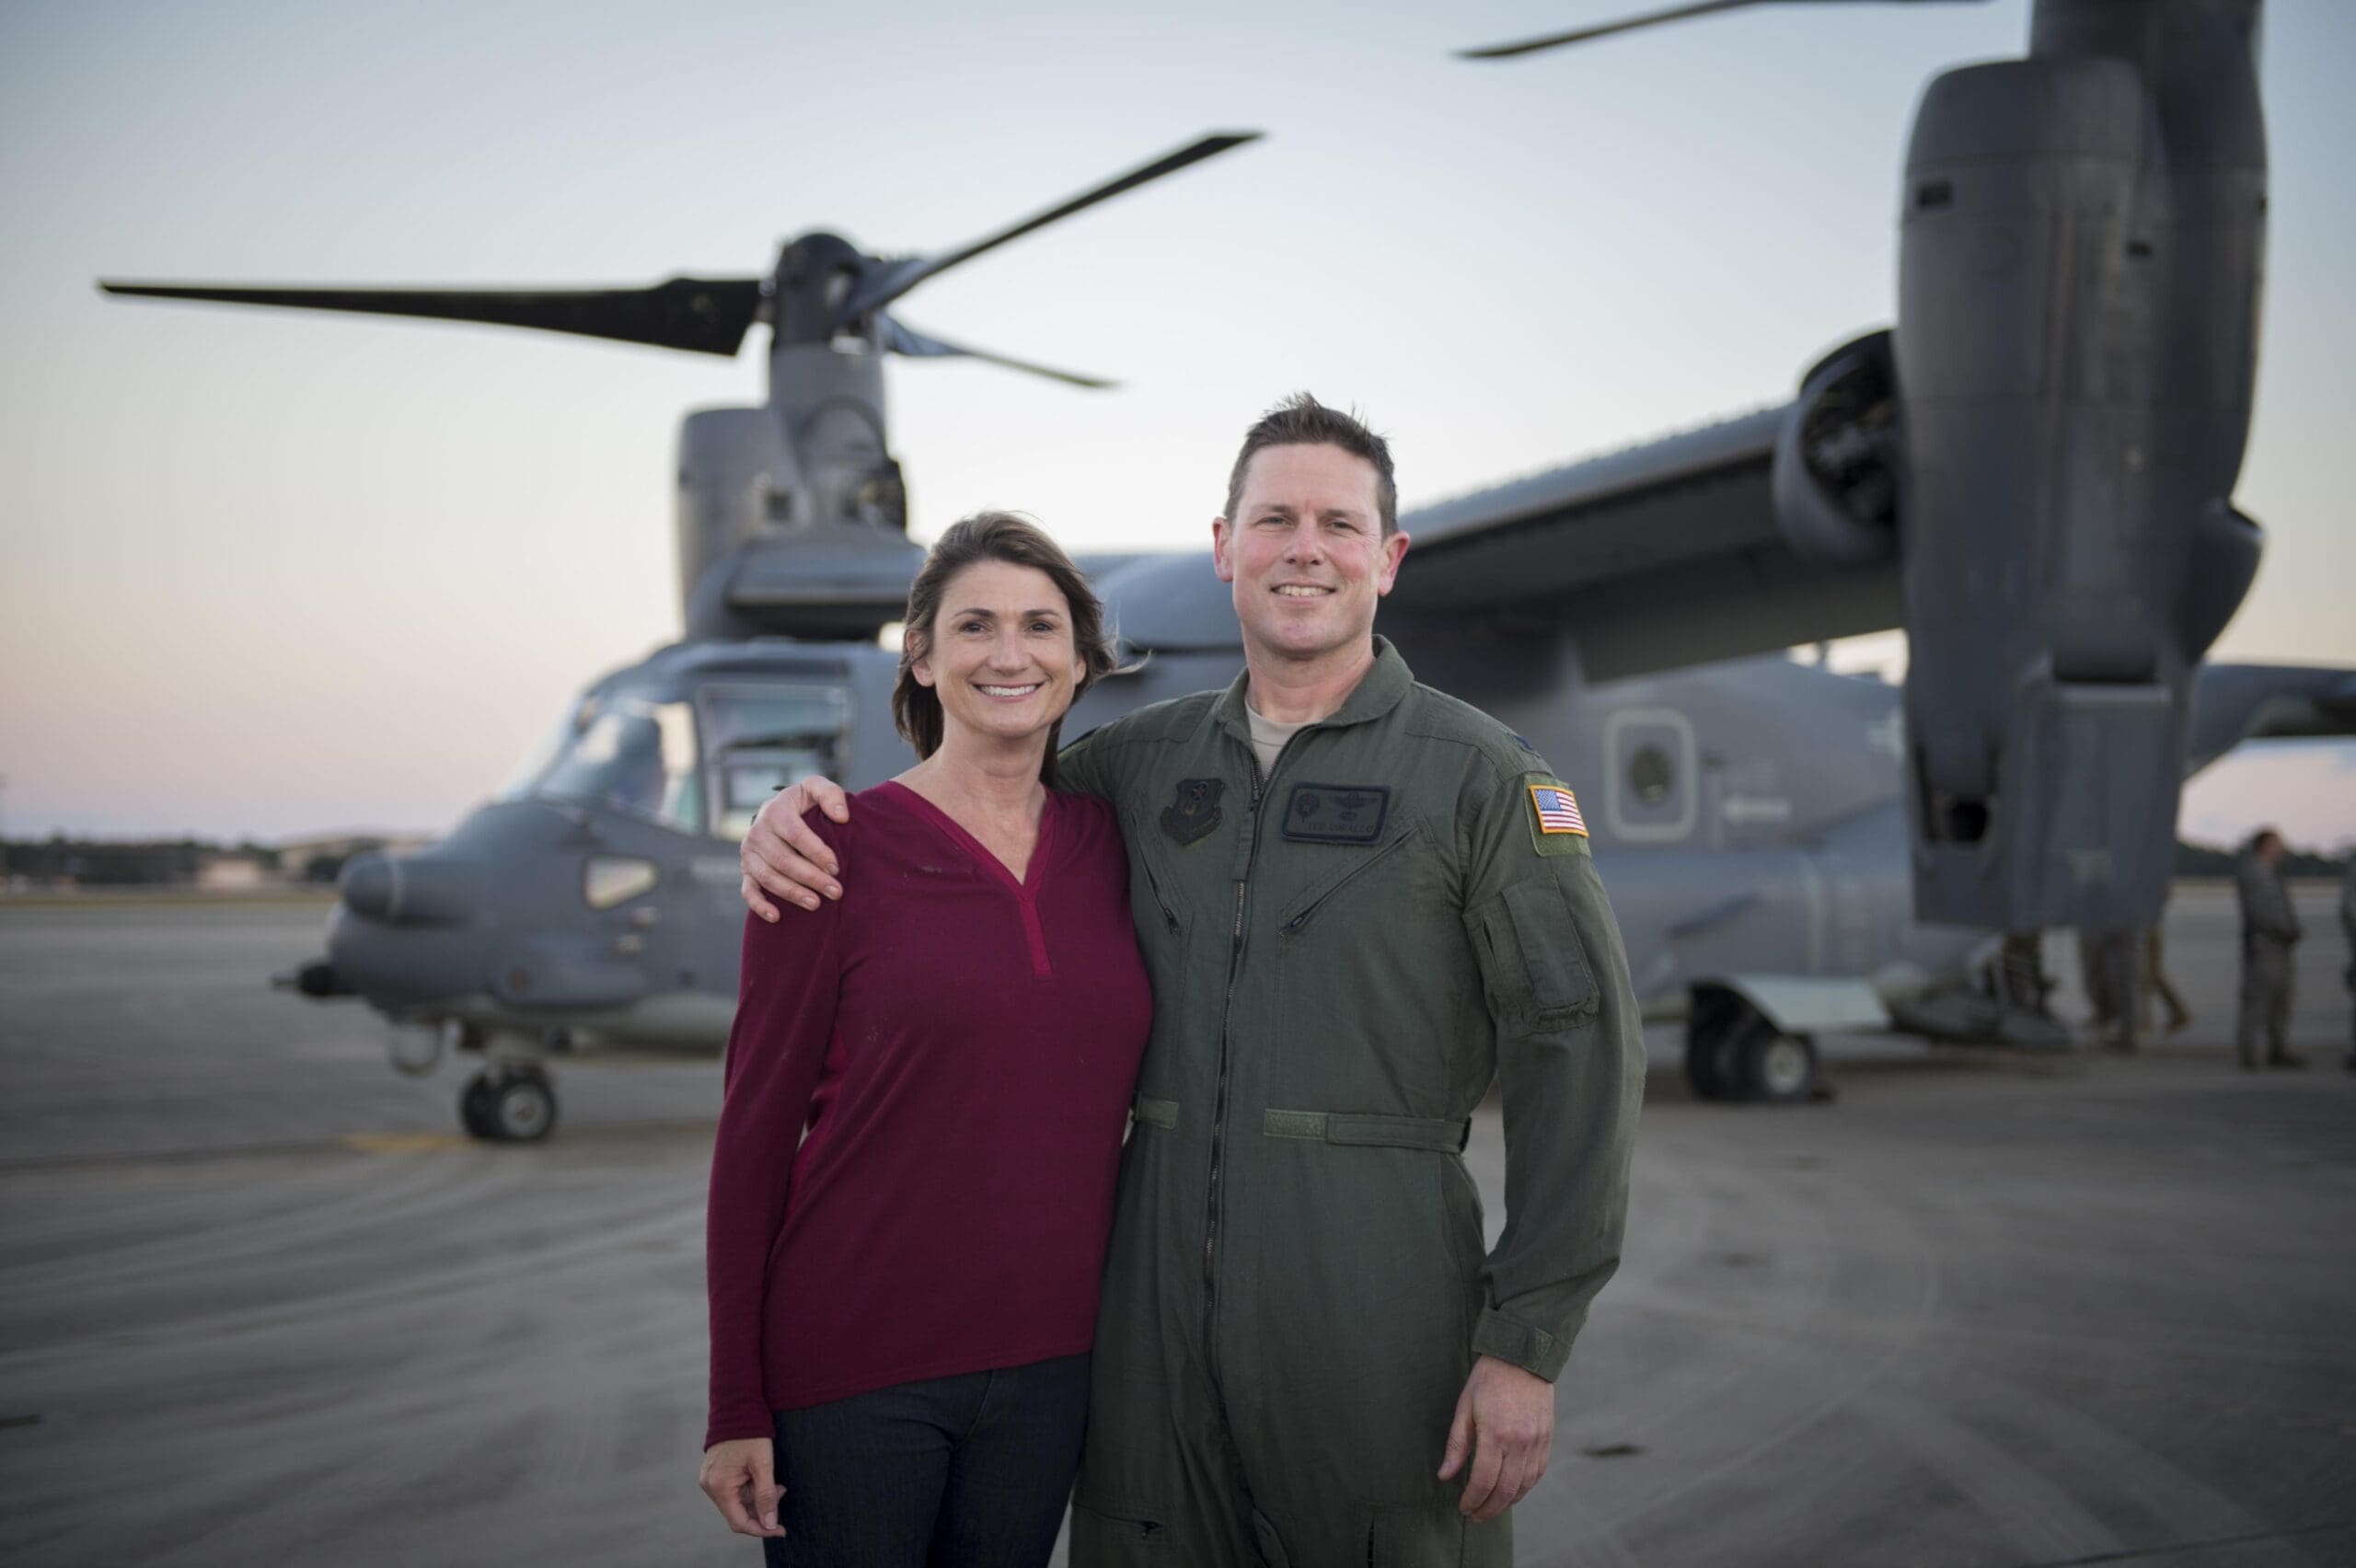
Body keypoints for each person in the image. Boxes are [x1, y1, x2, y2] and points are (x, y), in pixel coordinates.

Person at [741, 395, 1646, 1566]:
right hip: (1145, 1347)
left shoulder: (1479, 781)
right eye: (1273, 520)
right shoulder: (1133, 766)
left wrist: (1526, 1340)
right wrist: (803, 815)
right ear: (1224, 547)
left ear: (1387, 558)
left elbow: (1580, 1050)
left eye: (1337, 523)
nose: (1303, 549)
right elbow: (975, 798)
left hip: (1375, 1322)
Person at [700, 513, 1151, 1566]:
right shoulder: (827, 848)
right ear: (920, 656)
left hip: (1051, 1371)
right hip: (854, 1370)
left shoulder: (1118, 843)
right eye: (974, 626)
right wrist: (734, 1404)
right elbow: (753, 1138)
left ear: (1080, 661)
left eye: (1040, 626)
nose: (1009, 654)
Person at [2233, 827, 2304, 1071]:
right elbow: (2260, 910)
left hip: (2279, 945)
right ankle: (2250, 1052)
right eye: (2276, 844)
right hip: (2264, 945)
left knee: (2281, 1000)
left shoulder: (2272, 872)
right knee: (2257, 1001)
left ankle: (2277, 1048)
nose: (2280, 849)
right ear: (2264, 846)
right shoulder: (2255, 872)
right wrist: (2284, 929)